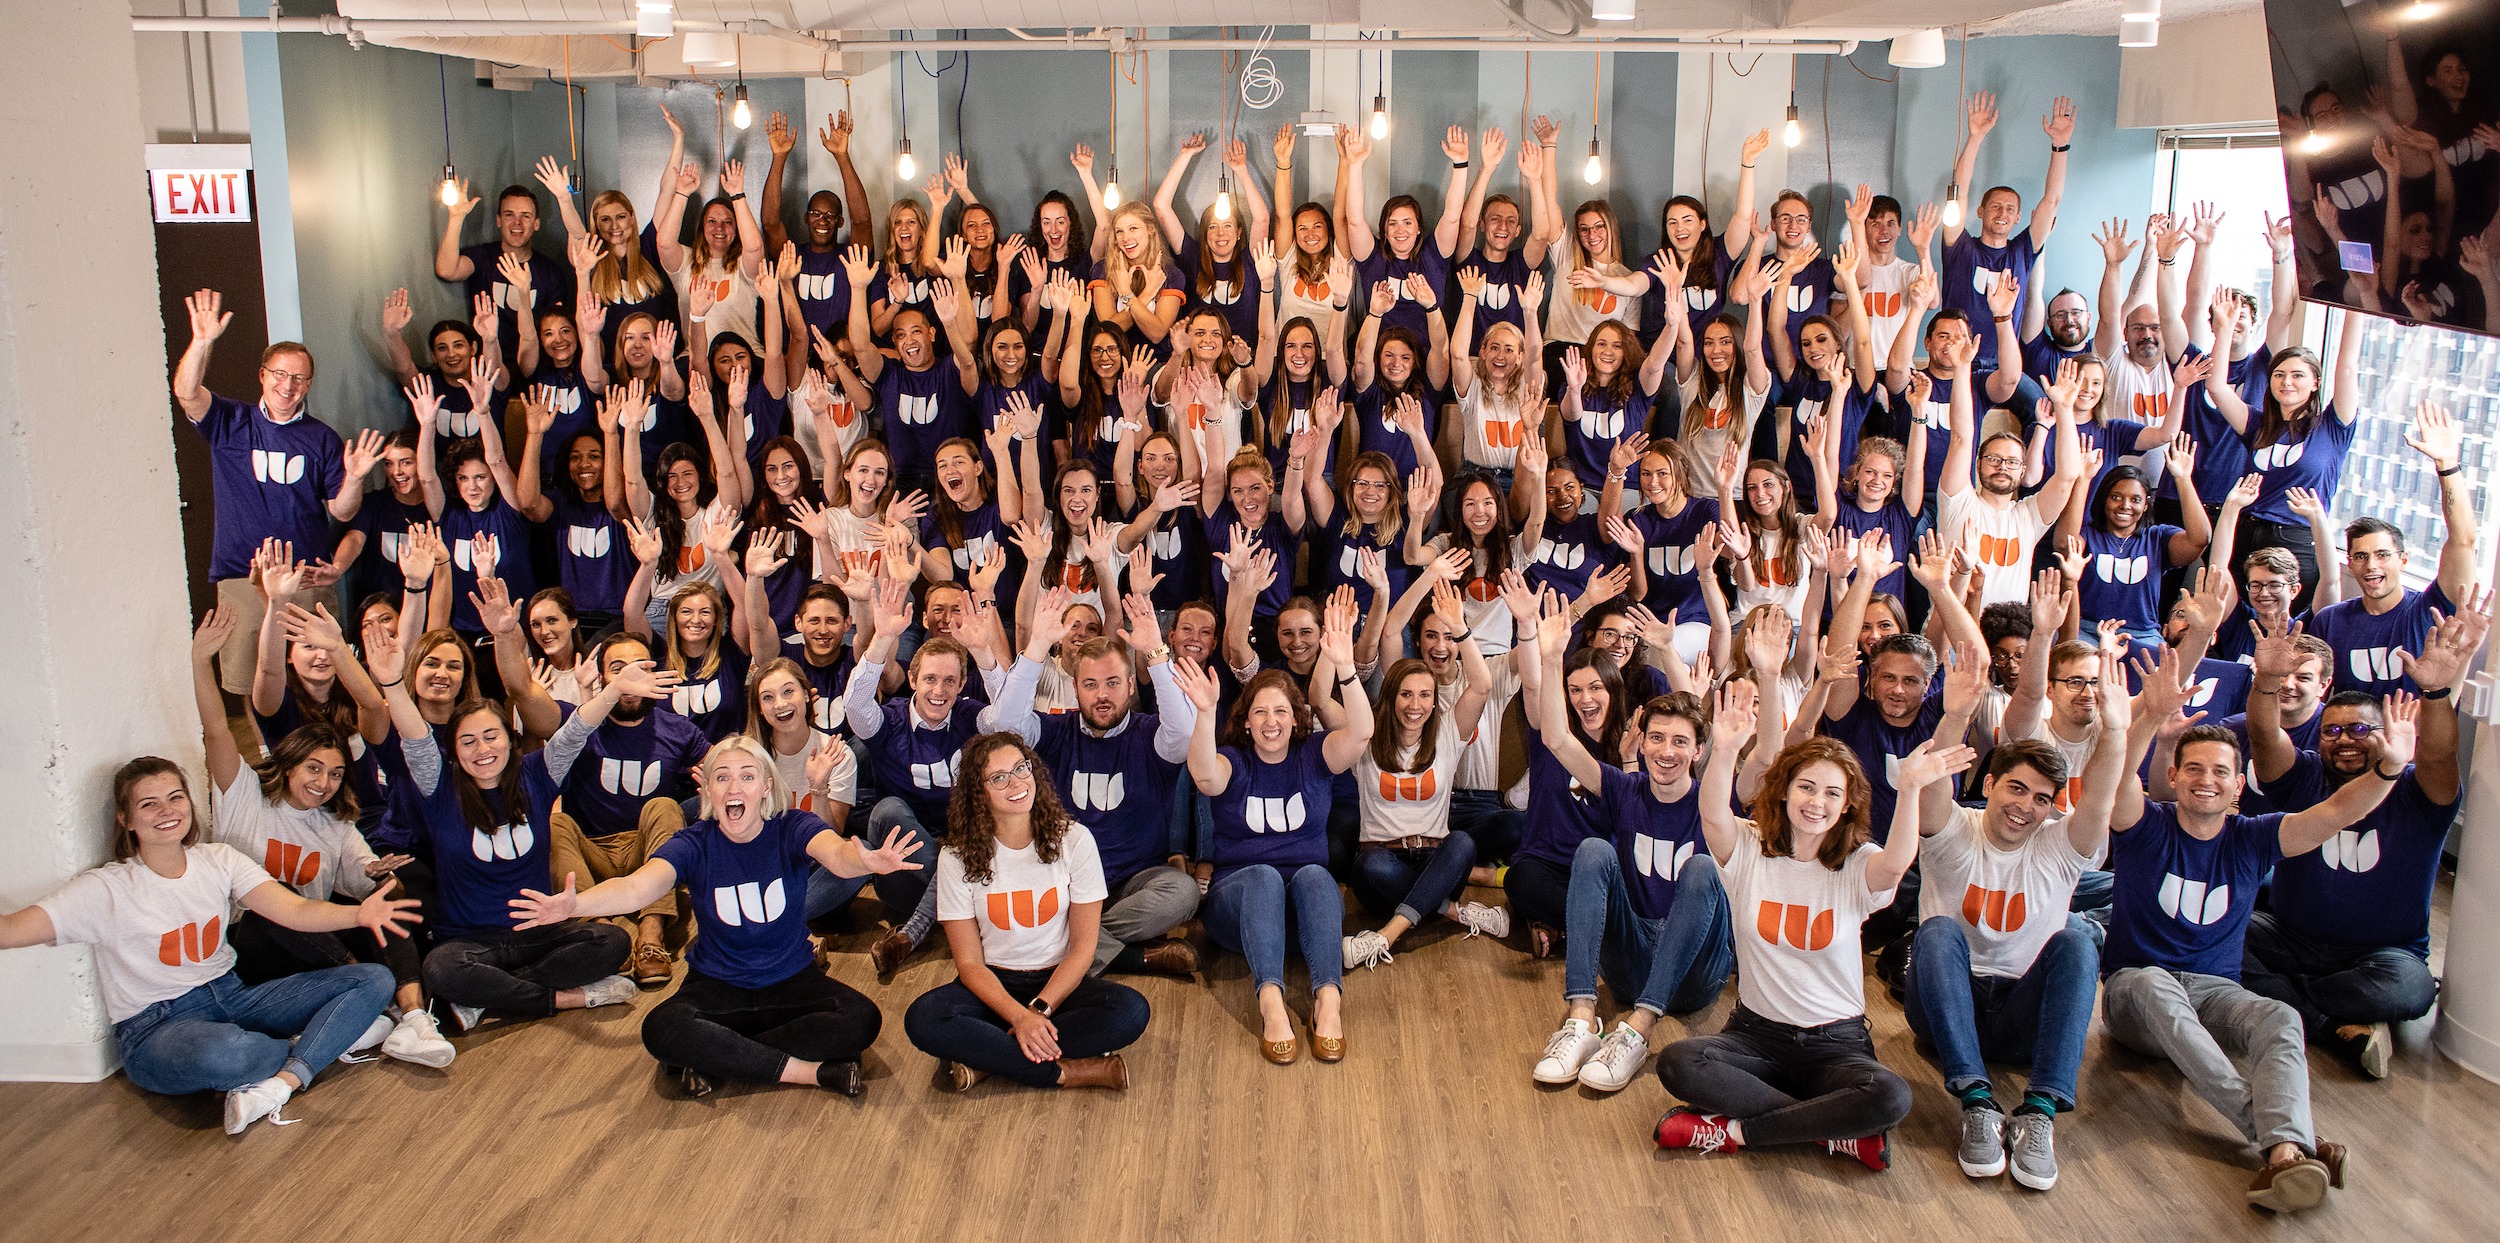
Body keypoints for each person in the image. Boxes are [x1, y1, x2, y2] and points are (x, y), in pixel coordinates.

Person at [2098, 643, 2413, 1213]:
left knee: (2280, 1015)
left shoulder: (2252, 838)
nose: (2207, 780)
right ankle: (2286, 1140)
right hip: (2134, 995)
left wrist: (2389, 767)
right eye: (2193, 769)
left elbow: (2337, 812)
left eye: (2222, 771)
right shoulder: (2145, 827)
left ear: (2239, 784)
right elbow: (2120, 781)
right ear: (2173, 775)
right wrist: (2144, 720)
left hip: (2216, 994)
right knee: (2150, 984)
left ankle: (2285, 1152)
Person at [0, 754, 414, 1134]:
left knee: (373, 979)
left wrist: (357, 915)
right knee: (227, 1055)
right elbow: (9, 931)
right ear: (126, 819)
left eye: (175, 797)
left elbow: (292, 911)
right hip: (157, 1027)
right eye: (149, 804)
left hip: (232, 998)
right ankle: (315, 1043)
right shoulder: (104, 889)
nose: (167, 811)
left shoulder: (219, 860)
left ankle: (286, 1079)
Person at [1654, 680, 1973, 1170]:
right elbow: (1712, 815)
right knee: (1678, 1062)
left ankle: (1735, 1130)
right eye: (1806, 787)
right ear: (1783, 792)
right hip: (1755, 1036)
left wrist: (1909, 789)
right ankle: (1830, 1130)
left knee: (1889, 1096)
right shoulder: (1749, 848)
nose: (1816, 802)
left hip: (1835, 1044)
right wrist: (1723, 749)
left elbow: (1896, 863)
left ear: (1846, 804)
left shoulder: (1856, 863)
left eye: (1831, 793)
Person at [512, 735, 920, 1098]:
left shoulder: (792, 825)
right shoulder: (693, 843)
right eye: (721, 777)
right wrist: (574, 906)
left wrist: (865, 860)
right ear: (707, 789)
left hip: (791, 979)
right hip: (717, 985)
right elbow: (639, 886)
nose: (733, 786)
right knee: (660, 1029)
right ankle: (810, 1073)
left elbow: (836, 853)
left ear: (765, 787)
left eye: (746, 776)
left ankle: (719, 1052)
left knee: (862, 1020)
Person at [1907, 643, 2133, 1192]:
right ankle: (1976, 1102)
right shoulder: (1954, 830)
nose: (2024, 806)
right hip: (1944, 1009)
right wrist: (1956, 713)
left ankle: (2039, 1113)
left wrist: (2117, 732)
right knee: (1936, 932)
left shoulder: (2060, 843)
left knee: (2078, 938)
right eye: (2015, 788)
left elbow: (2099, 803)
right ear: (1989, 785)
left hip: (2020, 1016)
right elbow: (1936, 783)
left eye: (2040, 798)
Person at [193, 604, 452, 1068]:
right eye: (313, 768)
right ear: (288, 762)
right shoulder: (243, 795)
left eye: (335, 773)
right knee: (270, 898)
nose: (324, 782)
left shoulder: (334, 821)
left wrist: (376, 874)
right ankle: (372, 998)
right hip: (247, 949)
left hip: (314, 955)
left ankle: (414, 1018)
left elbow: (363, 877)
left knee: (391, 893)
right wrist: (199, 663)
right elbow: (215, 730)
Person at [2240, 601, 2481, 1077]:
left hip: (2383, 954)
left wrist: (2434, 692)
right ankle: (2333, 1023)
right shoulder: (2302, 774)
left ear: (2385, 733)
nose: (2345, 739)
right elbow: (2265, 737)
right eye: (2332, 731)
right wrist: (2266, 682)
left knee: (2411, 990)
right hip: (2290, 937)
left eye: (2360, 729)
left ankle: (2291, 1004)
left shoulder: (2417, 790)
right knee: (2218, 931)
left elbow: (2439, 755)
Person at [1528, 598, 1738, 1092]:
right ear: (1640, 743)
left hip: (1695, 974)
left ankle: (1638, 1029)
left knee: (1703, 872)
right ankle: (1581, 1020)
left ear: (1699, 751)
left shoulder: (1714, 803)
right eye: (1657, 739)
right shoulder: (1625, 788)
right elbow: (1557, 739)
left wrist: (1671, 656)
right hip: (1632, 960)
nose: (1667, 752)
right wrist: (1553, 655)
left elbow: (1763, 761)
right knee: (1593, 851)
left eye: (1680, 742)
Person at [383, 642, 640, 1034]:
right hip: (470, 942)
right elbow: (415, 737)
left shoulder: (537, 774)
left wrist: (613, 689)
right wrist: (391, 682)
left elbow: (575, 732)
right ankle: (565, 997)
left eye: (491, 736)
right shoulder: (438, 787)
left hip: (537, 933)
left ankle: (486, 999)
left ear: (510, 738)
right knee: (440, 970)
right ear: (453, 752)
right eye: (467, 742)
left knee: (613, 941)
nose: (482, 749)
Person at [1177, 596, 1373, 1065]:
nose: (1271, 722)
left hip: (1300, 913)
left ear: (1296, 719)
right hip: (1238, 909)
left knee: (1317, 875)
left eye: (1281, 712)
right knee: (1263, 875)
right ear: (1246, 721)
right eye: (1261, 713)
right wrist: (1205, 712)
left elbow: (1361, 735)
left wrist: (1344, 667)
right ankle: (1270, 1002)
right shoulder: (1236, 762)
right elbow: (1205, 776)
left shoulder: (1314, 755)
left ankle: (1328, 1000)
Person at [903, 733, 1152, 1091]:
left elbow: (1083, 949)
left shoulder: (1074, 840)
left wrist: (1038, 1012)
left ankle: (988, 1061)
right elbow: (970, 964)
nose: (1017, 782)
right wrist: (1018, 1017)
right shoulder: (955, 856)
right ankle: (1066, 1072)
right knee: (923, 1019)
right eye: (999, 777)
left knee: (1131, 1011)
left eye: (1021, 768)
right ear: (979, 792)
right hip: (993, 985)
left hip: (1056, 987)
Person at [173, 289, 385, 694]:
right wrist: (201, 342)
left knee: (319, 676)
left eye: (299, 379)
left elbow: (342, 512)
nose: (288, 386)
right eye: (280, 375)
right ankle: (270, 752)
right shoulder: (231, 421)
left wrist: (355, 476)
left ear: (308, 385)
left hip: (305, 577)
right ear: (263, 376)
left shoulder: (321, 438)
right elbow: (187, 393)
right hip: (241, 573)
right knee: (250, 680)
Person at [987, 594, 1202, 976]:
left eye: (1112, 683)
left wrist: (1156, 652)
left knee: (1181, 893)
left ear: (1132, 685)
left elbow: (1186, 732)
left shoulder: (1151, 735)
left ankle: (1062, 947)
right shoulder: (1054, 732)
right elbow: (1005, 726)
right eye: (1090, 684)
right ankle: (1135, 957)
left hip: (1131, 883)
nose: (1102, 695)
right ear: (1075, 689)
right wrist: (1036, 647)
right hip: (1061, 880)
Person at [845, 577, 1031, 974]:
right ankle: (975, 921)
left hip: (967, 851)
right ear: (912, 680)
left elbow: (1011, 719)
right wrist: (882, 640)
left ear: (963, 685)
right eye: (929, 679)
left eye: (950, 681)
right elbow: (856, 705)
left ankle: (911, 934)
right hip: (907, 868)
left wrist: (983, 652)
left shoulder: (970, 717)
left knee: (973, 836)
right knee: (888, 810)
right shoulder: (889, 721)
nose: (938, 690)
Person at [1341, 592, 1507, 969]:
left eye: (1424, 696)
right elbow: (1320, 698)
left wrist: (1462, 630)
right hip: (1382, 864)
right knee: (1369, 867)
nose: (1414, 705)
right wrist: (1339, 659)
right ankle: (1453, 912)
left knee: (1462, 841)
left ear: (1435, 702)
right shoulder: (1368, 733)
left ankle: (1386, 936)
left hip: (1436, 857)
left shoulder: (1448, 731)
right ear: (1391, 698)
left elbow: (1481, 686)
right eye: (1405, 695)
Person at [2305, 402, 2479, 697]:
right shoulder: (2330, 621)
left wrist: (2447, 465)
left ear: (2403, 560)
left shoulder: (2429, 610)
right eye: (2361, 557)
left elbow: (2463, 540)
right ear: (2351, 562)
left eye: (2383, 555)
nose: (2371, 565)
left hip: (2413, 736)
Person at [1938, 92, 2073, 368]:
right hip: (1957, 364)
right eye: (1996, 206)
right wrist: (1975, 137)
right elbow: (1958, 195)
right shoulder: (1960, 248)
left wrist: (2060, 146)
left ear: (2018, 218)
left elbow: (2051, 201)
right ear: (1981, 211)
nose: (2002, 213)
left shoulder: (2022, 252)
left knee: (2039, 408)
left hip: (2004, 368)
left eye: (2010, 209)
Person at [435, 177, 572, 368]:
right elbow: (447, 270)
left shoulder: (550, 272)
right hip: (490, 365)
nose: (517, 223)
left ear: (536, 224)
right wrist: (456, 218)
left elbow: (557, 328)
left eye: (525, 216)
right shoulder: (484, 257)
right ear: (499, 221)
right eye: (509, 215)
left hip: (536, 367)